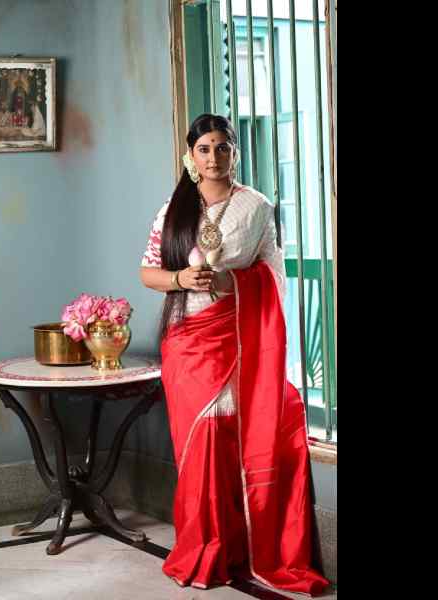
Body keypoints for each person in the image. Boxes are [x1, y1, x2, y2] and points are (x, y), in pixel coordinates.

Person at [139, 114, 329, 595]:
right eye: (204, 148)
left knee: (251, 434)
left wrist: (233, 283)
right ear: (191, 156)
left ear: (235, 153)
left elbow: (276, 275)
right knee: (200, 448)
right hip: (188, 342)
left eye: (223, 147)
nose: (214, 157)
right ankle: (206, 547)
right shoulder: (172, 211)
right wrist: (182, 279)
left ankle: (245, 545)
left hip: (240, 338)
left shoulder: (257, 207)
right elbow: (148, 274)